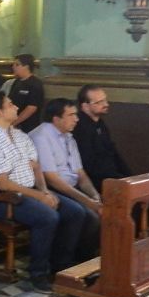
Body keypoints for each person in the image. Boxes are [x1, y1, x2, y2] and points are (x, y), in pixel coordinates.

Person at [0, 92, 84, 292]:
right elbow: (2, 183)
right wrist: (39, 196)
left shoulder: (19, 135)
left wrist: (44, 191)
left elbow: (36, 166)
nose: (16, 107)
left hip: (30, 191)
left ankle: (61, 266)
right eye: (10, 104)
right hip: (4, 199)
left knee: (75, 212)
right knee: (47, 217)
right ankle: (38, 273)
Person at [29, 98, 101, 261]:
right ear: (56, 119)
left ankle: (83, 262)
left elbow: (80, 173)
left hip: (69, 187)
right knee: (83, 214)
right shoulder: (41, 136)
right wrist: (86, 201)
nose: (77, 119)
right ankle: (63, 264)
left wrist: (95, 196)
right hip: (48, 188)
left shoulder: (68, 137)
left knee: (101, 209)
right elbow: (52, 179)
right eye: (71, 115)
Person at [72, 85, 132, 192]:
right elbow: (88, 164)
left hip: (112, 175)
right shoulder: (80, 127)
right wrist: (118, 179)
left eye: (105, 100)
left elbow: (113, 152)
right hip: (95, 181)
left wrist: (130, 176)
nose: (106, 104)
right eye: (99, 102)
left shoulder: (100, 123)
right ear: (85, 106)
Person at [7, 54, 44, 133]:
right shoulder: (17, 82)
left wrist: (14, 123)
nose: (13, 67)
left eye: (17, 65)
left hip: (28, 127)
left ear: (26, 67)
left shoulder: (35, 83)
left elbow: (31, 108)